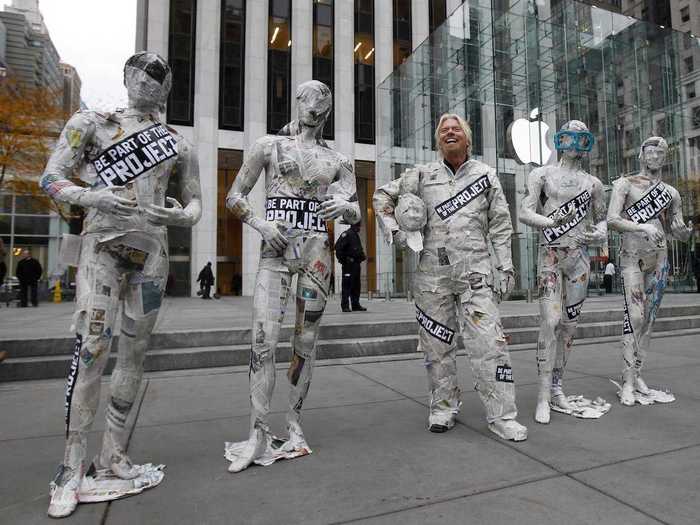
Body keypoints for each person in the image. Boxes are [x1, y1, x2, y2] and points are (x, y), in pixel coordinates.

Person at [40, 51, 202, 518]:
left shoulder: (176, 143)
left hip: (151, 257)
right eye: (144, 71)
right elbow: (51, 177)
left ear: (168, 87)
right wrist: (93, 195)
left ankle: (113, 453)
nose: (152, 78)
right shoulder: (90, 122)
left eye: (161, 74)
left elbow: (194, 204)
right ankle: (71, 467)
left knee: (133, 355)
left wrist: (179, 215)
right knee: (92, 347)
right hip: (102, 249)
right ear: (127, 75)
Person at [224, 80, 360, 472]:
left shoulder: (339, 160)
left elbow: (353, 211)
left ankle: (294, 422)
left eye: (322, 103)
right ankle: (257, 430)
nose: (314, 108)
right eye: (308, 100)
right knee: (263, 339)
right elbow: (235, 195)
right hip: (276, 252)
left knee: (306, 342)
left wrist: (346, 210)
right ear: (297, 103)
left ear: (329, 112)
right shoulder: (269, 146)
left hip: (316, 256)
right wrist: (261, 223)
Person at [373, 113, 527, 441]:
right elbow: (381, 198)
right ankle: (443, 406)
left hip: (476, 274)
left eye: (456, 129)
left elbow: (501, 224)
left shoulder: (485, 176)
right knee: (435, 347)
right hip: (432, 277)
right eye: (444, 130)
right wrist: (397, 232)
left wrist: (507, 266)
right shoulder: (421, 175)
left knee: (490, 344)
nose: (450, 132)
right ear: (438, 141)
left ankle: (503, 415)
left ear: (468, 138)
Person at [519, 120, 607, 424]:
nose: (574, 142)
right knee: (551, 320)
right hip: (551, 255)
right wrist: (549, 224)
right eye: (569, 135)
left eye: (580, 137)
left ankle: (557, 386)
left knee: (569, 325)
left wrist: (600, 233)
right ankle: (543, 394)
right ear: (559, 140)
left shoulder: (593, 183)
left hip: (580, 258)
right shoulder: (542, 174)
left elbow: (603, 220)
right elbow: (525, 210)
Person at [608, 136, 693, 405]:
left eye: (661, 154)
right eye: (651, 153)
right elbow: (612, 220)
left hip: (660, 257)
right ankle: (627, 381)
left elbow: (677, 227)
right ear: (641, 156)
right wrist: (641, 226)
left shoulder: (671, 192)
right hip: (632, 256)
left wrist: (683, 233)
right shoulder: (625, 184)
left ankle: (636, 373)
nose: (656, 157)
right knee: (634, 314)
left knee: (650, 319)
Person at [335, 221, 367, 312]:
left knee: (356, 286)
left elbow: (356, 249)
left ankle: (355, 304)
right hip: (348, 265)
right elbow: (338, 248)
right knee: (347, 285)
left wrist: (361, 256)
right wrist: (344, 260)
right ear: (354, 225)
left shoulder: (355, 235)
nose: (359, 228)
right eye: (358, 226)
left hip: (356, 264)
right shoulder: (347, 234)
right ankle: (345, 306)